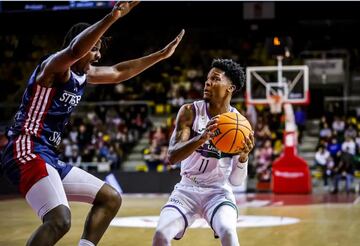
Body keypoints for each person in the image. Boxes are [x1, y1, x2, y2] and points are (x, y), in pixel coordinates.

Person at [0, 2, 184, 246]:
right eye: (95, 49)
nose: (98, 55)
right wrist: (113, 16)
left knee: (110, 198)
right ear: (82, 44)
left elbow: (119, 72)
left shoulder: (84, 74)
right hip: (25, 148)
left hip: (47, 155)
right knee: (59, 219)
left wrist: (160, 56)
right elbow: (75, 50)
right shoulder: (53, 67)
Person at [152, 59, 254, 246]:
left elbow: (236, 182)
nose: (207, 82)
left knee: (229, 232)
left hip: (218, 192)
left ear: (230, 88)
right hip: (186, 189)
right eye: (207, 78)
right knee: (160, 233)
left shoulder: (240, 125)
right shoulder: (190, 112)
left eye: (215, 79)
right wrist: (201, 137)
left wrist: (243, 158)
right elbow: (172, 157)